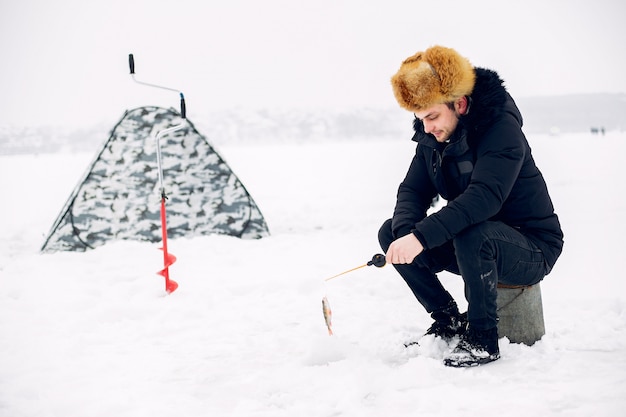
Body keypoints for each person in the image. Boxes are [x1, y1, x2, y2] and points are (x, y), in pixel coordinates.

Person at [378, 46, 564, 367]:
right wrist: (408, 233)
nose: (427, 128)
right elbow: (413, 190)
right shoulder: (433, 140)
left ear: (460, 104)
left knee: (475, 235)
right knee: (392, 232)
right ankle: (448, 320)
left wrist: (422, 238)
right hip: (479, 241)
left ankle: (481, 338)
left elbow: (484, 199)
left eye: (433, 116)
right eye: (420, 119)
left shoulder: (501, 130)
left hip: (532, 246)